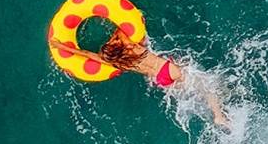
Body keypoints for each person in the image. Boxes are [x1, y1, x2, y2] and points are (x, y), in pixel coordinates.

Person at [57, 29, 229, 127]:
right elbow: (120, 30)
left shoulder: (120, 63)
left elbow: (87, 54)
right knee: (208, 89)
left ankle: (223, 101)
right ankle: (218, 115)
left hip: (161, 81)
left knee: (197, 91)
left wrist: (62, 47)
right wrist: (113, 39)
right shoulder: (132, 47)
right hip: (169, 69)